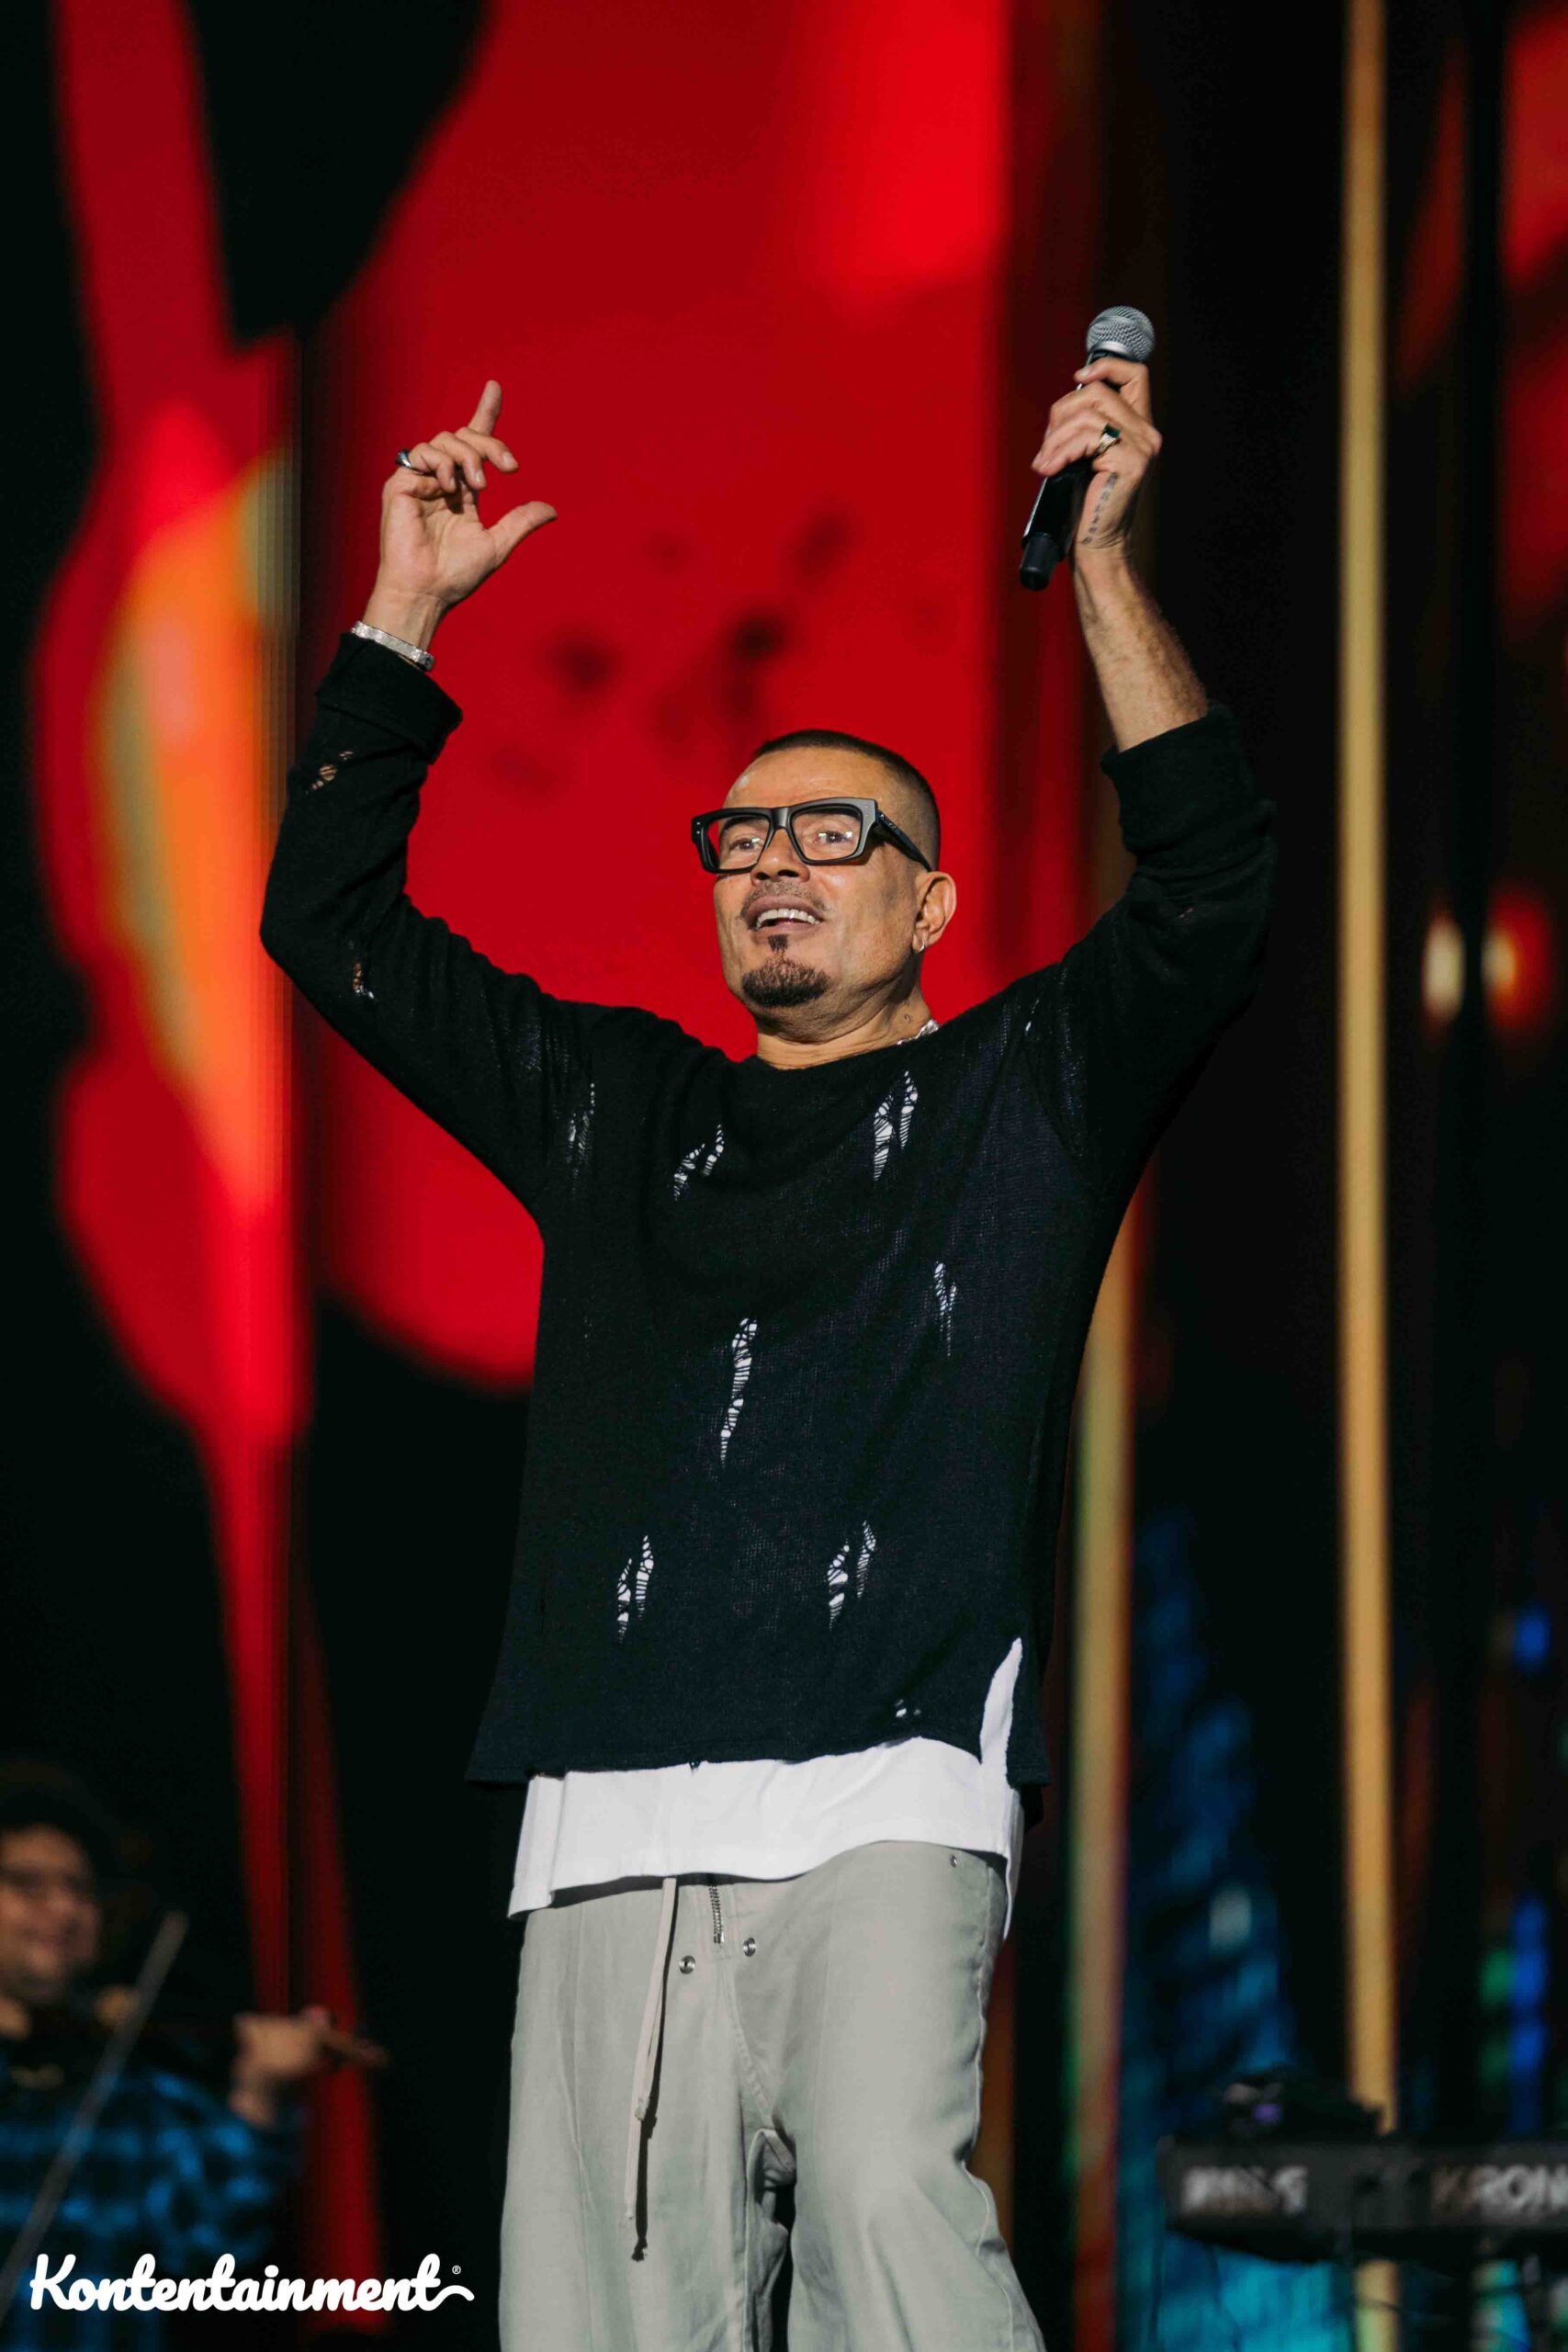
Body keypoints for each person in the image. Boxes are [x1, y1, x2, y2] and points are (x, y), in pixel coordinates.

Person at [261, 357, 1276, 2350]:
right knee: (612, 2313)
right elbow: (332, 923)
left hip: (888, 1778)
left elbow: (1213, 884)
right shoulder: (618, 1106)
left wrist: (1095, 563)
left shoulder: (1026, 1091)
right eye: (741, 839)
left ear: (932, 897)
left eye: (835, 830)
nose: (777, 864)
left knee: (891, 2209)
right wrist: (401, 617)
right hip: (615, 1809)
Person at [0, 1770, 350, 2348]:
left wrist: (256, 2092)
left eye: (83, 1890)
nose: (64, 1908)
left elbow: (208, 2240)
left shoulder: (128, 2084)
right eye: (30, 1885)